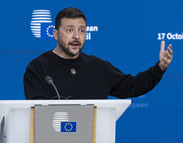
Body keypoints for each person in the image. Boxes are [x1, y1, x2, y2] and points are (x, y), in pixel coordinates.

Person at [23, 7, 173, 100]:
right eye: (69, 30)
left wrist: (159, 68)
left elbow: (133, 86)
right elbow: (37, 113)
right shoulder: (38, 67)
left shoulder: (98, 67)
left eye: (81, 30)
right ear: (55, 34)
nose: (76, 36)